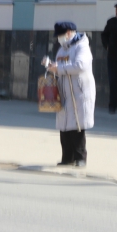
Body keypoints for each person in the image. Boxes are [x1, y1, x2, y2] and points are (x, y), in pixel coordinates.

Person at [44, 21, 95, 167]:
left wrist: (58, 68)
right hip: (65, 92)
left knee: (77, 126)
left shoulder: (82, 46)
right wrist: (50, 65)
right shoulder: (62, 50)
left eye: (60, 35)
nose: (59, 39)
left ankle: (80, 158)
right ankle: (67, 157)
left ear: (68, 33)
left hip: (79, 92)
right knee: (64, 127)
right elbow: (59, 66)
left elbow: (81, 65)